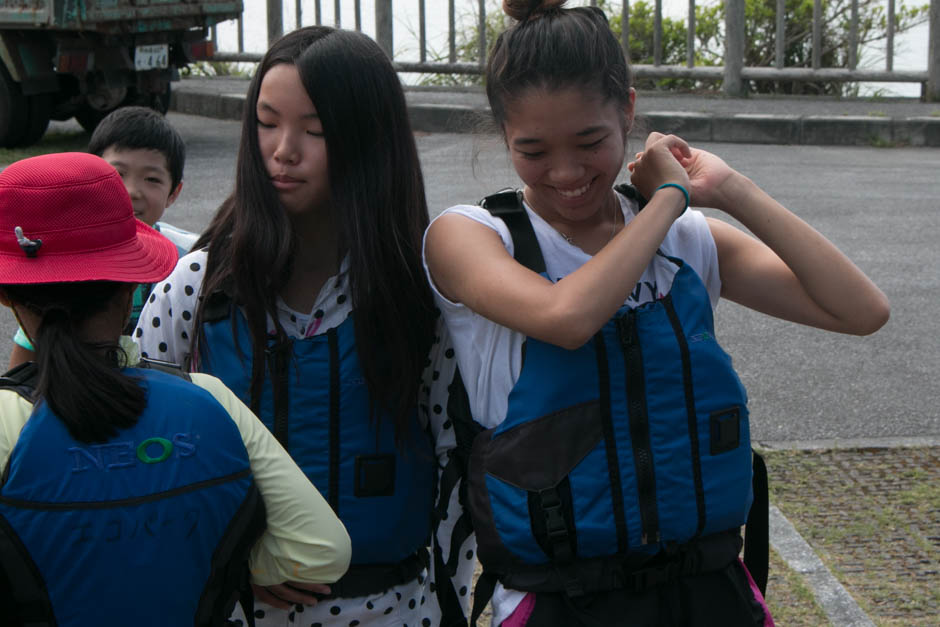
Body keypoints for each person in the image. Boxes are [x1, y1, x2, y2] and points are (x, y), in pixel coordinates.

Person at [422, 1, 890, 626]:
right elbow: (566, 318)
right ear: (504, 135)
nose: (566, 172)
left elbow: (861, 309)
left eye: (591, 142)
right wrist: (669, 198)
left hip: (709, 592)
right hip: (560, 603)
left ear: (628, 111)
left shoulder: (685, 240)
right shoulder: (473, 236)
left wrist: (730, 190)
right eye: (532, 150)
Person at [134, 26, 476, 626]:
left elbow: (459, 468)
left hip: (396, 610)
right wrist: (233, 555)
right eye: (266, 123)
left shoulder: (422, 297)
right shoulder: (198, 289)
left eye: (314, 130)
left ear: (370, 139)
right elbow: (138, 456)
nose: (283, 150)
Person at [0, 152, 351, 627]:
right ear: (132, 286)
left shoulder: (7, 419)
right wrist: (240, 564)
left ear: (7, 295)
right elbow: (320, 550)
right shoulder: (208, 398)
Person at [7, 106, 198, 368]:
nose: (131, 191)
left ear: (174, 193)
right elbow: (22, 365)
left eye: (152, 179)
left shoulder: (185, 263)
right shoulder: (65, 259)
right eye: (117, 174)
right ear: (91, 178)